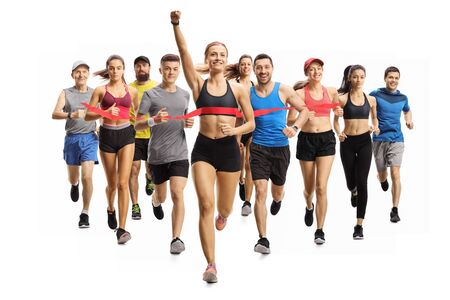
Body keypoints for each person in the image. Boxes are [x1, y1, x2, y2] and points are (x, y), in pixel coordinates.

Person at [170, 10, 255, 283]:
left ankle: (225, 215)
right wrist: (176, 25)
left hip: (230, 151)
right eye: (213, 54)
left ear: (226, 60)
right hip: (204, 150)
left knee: (225, 208)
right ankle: (211, 264)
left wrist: (236, 130)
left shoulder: (239, 89)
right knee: (205, 205)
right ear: (207, 59)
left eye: (222, 54)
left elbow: (251, 123)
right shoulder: (197, 83)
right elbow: (183, 52)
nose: (217, 58)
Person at [250, 53, 310, 254]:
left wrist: (295, 128)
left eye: (266, 67)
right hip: (258, 147)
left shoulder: (283, 89)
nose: (263, 71)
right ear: (254, 70)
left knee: (276, 191)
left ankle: (278, 199)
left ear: (272, 69)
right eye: (259, 67)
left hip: (280, 148)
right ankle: (263, 239)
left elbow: (305, 111)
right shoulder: (249, 93)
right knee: (260, 191)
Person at [135, 53, 193, 254]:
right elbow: (137, 124)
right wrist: (153, 121)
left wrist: (187, 123)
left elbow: (183, 118)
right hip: (157, 154)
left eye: (175, 69)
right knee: (163, 196)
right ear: (160, 70)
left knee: (178, 192)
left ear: (179, 71)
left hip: (180, 152)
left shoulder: (185, 94)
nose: (171, 72)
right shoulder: (150, 95)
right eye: (167, 68)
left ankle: (176, 238)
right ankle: (155, 200)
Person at [288, 58, 343, 244]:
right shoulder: (299, 94)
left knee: (321, 187)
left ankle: (320, 230)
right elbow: (290, 120)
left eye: (319, 68)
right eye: (312, 69)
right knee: (309, 188)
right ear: (306, 73)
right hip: (306, 140)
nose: (316, 72)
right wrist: (303, 117)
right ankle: (309, 205)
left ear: (322, 71)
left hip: (326, 140)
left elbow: (339, 110)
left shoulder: (332, 91)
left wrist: (338, 114)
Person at [85, 55, 138, 244]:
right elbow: (88, 115)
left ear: (124, 70)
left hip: (126, 136)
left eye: (118, 68)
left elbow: (137, 115)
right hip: (107, 136)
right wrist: (105, 113)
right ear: (108, 70)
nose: (115, 71)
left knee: (124, 183)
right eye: (112, 68)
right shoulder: (100, 91)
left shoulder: (131, 91)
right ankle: (110, 208)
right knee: (113, 184)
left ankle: (122, 229)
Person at [334, 64, 379, 239]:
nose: (358, 80)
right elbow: (336, 121)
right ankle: (352, 190)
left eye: (361, 76)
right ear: (349, 79)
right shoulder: (342, 98)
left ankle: (359, 225)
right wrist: (339, 133)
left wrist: (375, 127)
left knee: (363, 181)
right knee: (350, 182)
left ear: (364, 78)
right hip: (347, 142)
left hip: (364, 142)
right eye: (355, 77)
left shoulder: (371, 99)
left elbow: (374, 118)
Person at [52, 60, 98, 228]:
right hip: (72, 139)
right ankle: (74, 184)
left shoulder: (95, 93)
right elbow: (55, 114)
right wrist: (72, 114)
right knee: (74, 177)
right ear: (72, 75)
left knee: (88, 176)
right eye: (78, 72)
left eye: (85, 71)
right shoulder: (66, 93)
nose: (81, 74)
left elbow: (101, 113)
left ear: (88, 74)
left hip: (90, 139)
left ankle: (85, 213)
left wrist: (99, 127)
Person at [369, 66, 413, 223]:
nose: (393, 80)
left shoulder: (403, 98)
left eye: (396, 78)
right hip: (379, 139)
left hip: (397, 139)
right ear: (385, 78)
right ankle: (382, 179)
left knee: (396, 173)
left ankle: (394, 209)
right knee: (383, 174)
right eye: (391, 77)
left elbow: (407, 110)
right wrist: (369, 125)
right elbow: (363, 107)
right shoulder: (375, 94)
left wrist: (408, 120)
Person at [128, 56, 158, 220]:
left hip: (153, 134)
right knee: (133, 169)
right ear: (134, 69)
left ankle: (149, 178)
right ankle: (135, 205)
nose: (141, 69)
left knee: (150, 169)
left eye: (144, 66)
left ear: (149, 67)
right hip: (133, 135)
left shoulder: (156, 87)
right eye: (138, 66)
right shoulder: (128, 88)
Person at [225, 54, 255, 216]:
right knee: (239, 161)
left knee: (250, 163)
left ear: (251, 67)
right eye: (243, 64)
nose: (245, 67)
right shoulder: (232, 85)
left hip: (251, 128)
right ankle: (241, 180)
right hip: (235, 128)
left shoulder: (255, 86)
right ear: (239, 67)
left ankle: (247, 202)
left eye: (248, 64)